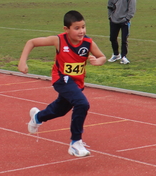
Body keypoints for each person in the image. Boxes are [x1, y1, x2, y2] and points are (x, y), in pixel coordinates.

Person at [17, 10, 106, 157]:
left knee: (60, 110)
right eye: (76, 28)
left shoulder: (88, 43)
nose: (81, 31)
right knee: (82, 104)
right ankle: (75, 142)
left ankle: (38, 117)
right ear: (66, 29)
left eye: (83, 27)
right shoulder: (58, 40)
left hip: (76, 83)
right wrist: (22, 61)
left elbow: (102, 56)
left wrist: (99, 61)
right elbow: (31, 42)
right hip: (61, 79)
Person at [107, 0, 136, 65]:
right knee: (112, 38)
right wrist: (110, 17)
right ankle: (116, 54)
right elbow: (109, 6)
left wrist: (127, 18)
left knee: (124, 40)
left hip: (124, 21)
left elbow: (132, 8)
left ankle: (124, 57)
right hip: (114, 20)